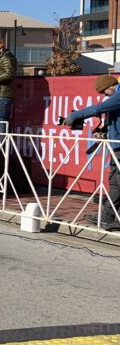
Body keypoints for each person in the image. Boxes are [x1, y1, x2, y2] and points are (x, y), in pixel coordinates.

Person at [64, 74, 120, 230]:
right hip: (116, 146)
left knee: (117, 182)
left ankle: (109, 218)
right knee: (115, 182)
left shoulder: (119, 95)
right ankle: (108, 217)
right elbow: (114, 119)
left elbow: (98, 108)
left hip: (119, 147)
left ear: (110, 86)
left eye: (103, 92)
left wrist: (74, 115)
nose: (104, 96)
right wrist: (103, 131)